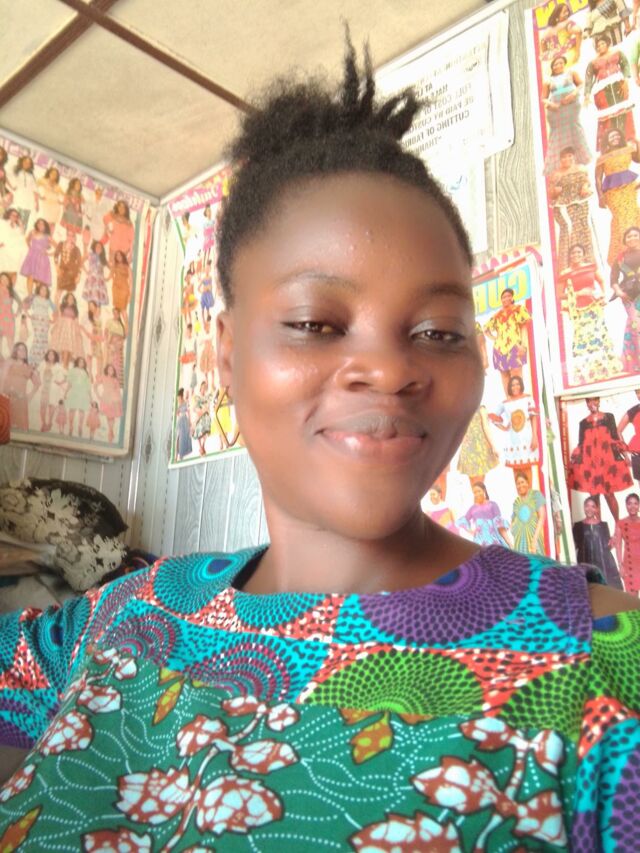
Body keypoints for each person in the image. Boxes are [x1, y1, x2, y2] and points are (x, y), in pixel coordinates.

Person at [1, 38, 639, 851]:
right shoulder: (125, 613)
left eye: (439, 330)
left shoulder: (598, 665)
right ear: (225, 355)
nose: (390, 368)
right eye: (315, 323)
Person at [558, 243, 621, 384]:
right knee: (582, 340)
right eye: (573, 253)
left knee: (598, 336)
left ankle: (604, 370)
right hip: (578, 310)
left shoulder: (591, 267)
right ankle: (586, 373)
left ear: (583, 254)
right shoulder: (565, 273)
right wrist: (578, 293)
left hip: (594, 307)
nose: (576, 255)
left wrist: (603, 295)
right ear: (569, 256)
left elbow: (601, 281)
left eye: (579, 252)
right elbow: (560, 294)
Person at [568, 396, 632, 520]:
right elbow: (581, 445)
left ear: (598, 401)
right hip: (590, 464)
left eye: (594, 400)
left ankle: (617, 524)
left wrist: (625, 456)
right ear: (586, 403)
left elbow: (615, 438)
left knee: (609, 494)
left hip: (606, 462)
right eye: (589, 401)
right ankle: (599, 525)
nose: (592, 403)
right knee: (594, 496)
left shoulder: (608, 417)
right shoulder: (583, 423)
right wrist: (573, 462)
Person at [594, 129, 640, 265]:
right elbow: (598, 178)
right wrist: (600, 196)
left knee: (633, 215)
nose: (615, 138)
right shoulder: (602, 158)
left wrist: (637, 143)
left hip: (629, 190)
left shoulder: (627, 149)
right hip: (612, 193)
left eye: (617, 135)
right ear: (607, 140)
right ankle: (624, 254)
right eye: (611, 136)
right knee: (621, 219)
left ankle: (633, 251)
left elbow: (638, 159)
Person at [584, 34, 635, 152]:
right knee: (608, 118)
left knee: (623, 113)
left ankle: (627, 140)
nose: (600, 47)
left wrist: (626, 80)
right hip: (603, 93)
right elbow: (588, 79)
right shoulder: (593, 62)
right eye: (598, 45)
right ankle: (610, 145)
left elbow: (625, 65)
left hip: (619, 86)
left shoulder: (617, 53)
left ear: (607, 43)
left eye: (602, 44)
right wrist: (587, 95)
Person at [542, 56, 590, 176]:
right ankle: (557, 165)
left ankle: (581, 159)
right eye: (555, 64)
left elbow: (581, 84)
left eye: (561, 63)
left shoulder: (571, 73)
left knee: (575, 130)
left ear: (564, 63)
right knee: (557, 135)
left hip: (571, 106)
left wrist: (573, 94)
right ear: (552, 67)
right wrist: (551, 105)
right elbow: (543, 98)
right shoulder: (548, 81)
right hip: (556, 111)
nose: (558, 65)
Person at [547, 146, 593, 271]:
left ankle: (587, 261)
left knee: (584, 227)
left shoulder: (581, 168)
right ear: (560, 160)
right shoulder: (556, 174)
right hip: (564, 205)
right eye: (564, 157)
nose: (567, 159)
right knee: (569, 228)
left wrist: (585, 186)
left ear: (574, 156)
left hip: (581, 202)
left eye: (569, 156)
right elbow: (550, 193)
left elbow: (587, 181)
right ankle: (567, 265)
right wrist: (555, 191)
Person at [482, 287, 531, 394]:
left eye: (508, 296)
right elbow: (485, 329)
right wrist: (494, 338)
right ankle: (509, 400)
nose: (506, 299)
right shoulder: (497, 315)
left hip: (515, 346)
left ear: (512, 298)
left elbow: (523, 327)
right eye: (503, 297)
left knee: (516, 374)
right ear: (501, 300)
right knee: (505, 376)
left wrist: (523, 345)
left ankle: (520, 399)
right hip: (499, 349)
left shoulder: (518, 309)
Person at [572, 495, 622, 588]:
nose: (589, 509)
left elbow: (607, 547)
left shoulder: (603, 525)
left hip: (603, 564)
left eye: (593, 506)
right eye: (587, 506)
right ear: (584, 507)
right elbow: (574, 546)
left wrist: (613, 542)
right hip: (584, 562)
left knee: (605, 589)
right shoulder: (577, 525)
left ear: (596, 509)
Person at [610, 225, 640, 372]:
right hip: (630, 296)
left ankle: (630, 361)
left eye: (635, 235)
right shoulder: (620, 258)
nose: (632, 238)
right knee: (636, 325)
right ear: (625, 240)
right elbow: (613, 279)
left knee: (632, 327)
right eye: (629, 236)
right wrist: (619, 292)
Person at [456, 482, 512, 547]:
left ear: (484, 490)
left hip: (494, 541)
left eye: (479, 491)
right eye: (475, 492)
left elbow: (500, 526)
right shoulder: (473, 508)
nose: (477, 494)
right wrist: (471, 531)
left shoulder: (492, 505)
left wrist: (509, 543)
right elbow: (463, 521)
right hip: (479, 542)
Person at [510, 471, 547, 556]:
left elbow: (542, 517)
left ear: (527, 483)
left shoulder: (536, 495)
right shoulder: (517, 502)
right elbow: (512, 521)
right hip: (519, 542)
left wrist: (535, 539)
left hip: (534, 539)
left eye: (522, 482)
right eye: (518, 483)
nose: (520, 485)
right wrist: (513, 531)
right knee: (521, 563)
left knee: (536, 561)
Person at [613, 492, 640, 593]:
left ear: (639, 505)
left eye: (635, 503)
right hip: (629, 564)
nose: (632, 506)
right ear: (626, 505)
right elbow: (618, 546)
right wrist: (620, 566)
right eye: (629, 503)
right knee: (632, 597)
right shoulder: (620, 523)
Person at [617, 388, 640, 483]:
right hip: (638, 453)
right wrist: (625, 452)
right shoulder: (633, 411)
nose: (639, 395)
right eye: (637, 392)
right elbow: (618, 431)